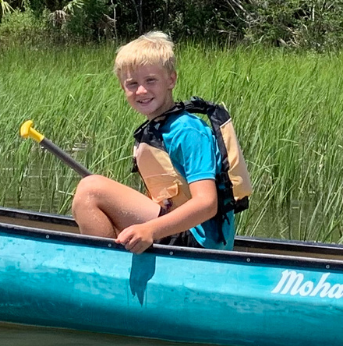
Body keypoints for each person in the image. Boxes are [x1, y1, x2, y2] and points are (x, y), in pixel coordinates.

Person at [69, 31, 253, 253]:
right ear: (122, 88)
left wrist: (150, 231)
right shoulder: (157, 129)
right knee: (92, 196)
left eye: (151, 80)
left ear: (171, 80)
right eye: (132, 83)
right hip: (176, 231)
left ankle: (107, 269)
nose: (142, 90)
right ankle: (114, 262)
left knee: (91, 190)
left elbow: (207, 204)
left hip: (200, 243)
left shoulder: (187, 131)